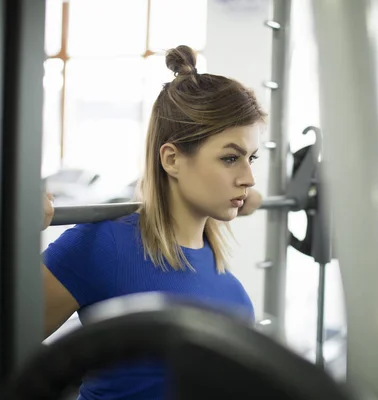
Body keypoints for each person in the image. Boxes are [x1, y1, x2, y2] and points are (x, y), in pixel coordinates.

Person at [41, 45, 266, 400]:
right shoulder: (104, 246)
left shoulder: (231, 289)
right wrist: (15, 234)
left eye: (251, 158)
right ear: (172, 159)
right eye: (230, 158)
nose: (249, 177)